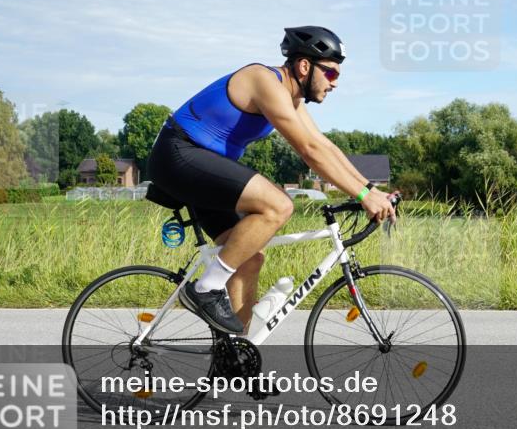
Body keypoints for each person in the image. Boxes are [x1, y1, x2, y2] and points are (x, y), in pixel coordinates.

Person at [146, 26, 396, 334]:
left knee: (249, 258)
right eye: (331, 74)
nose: (335, 84)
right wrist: (363, 196)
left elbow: (324, 145)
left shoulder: (292, 100)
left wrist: (370, 190)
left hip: (202, 164)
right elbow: (309, 151)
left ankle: (236, 366)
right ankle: (204, 289)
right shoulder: (263, 80)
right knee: (278, 205)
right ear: (305, 66)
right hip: (178, 154)